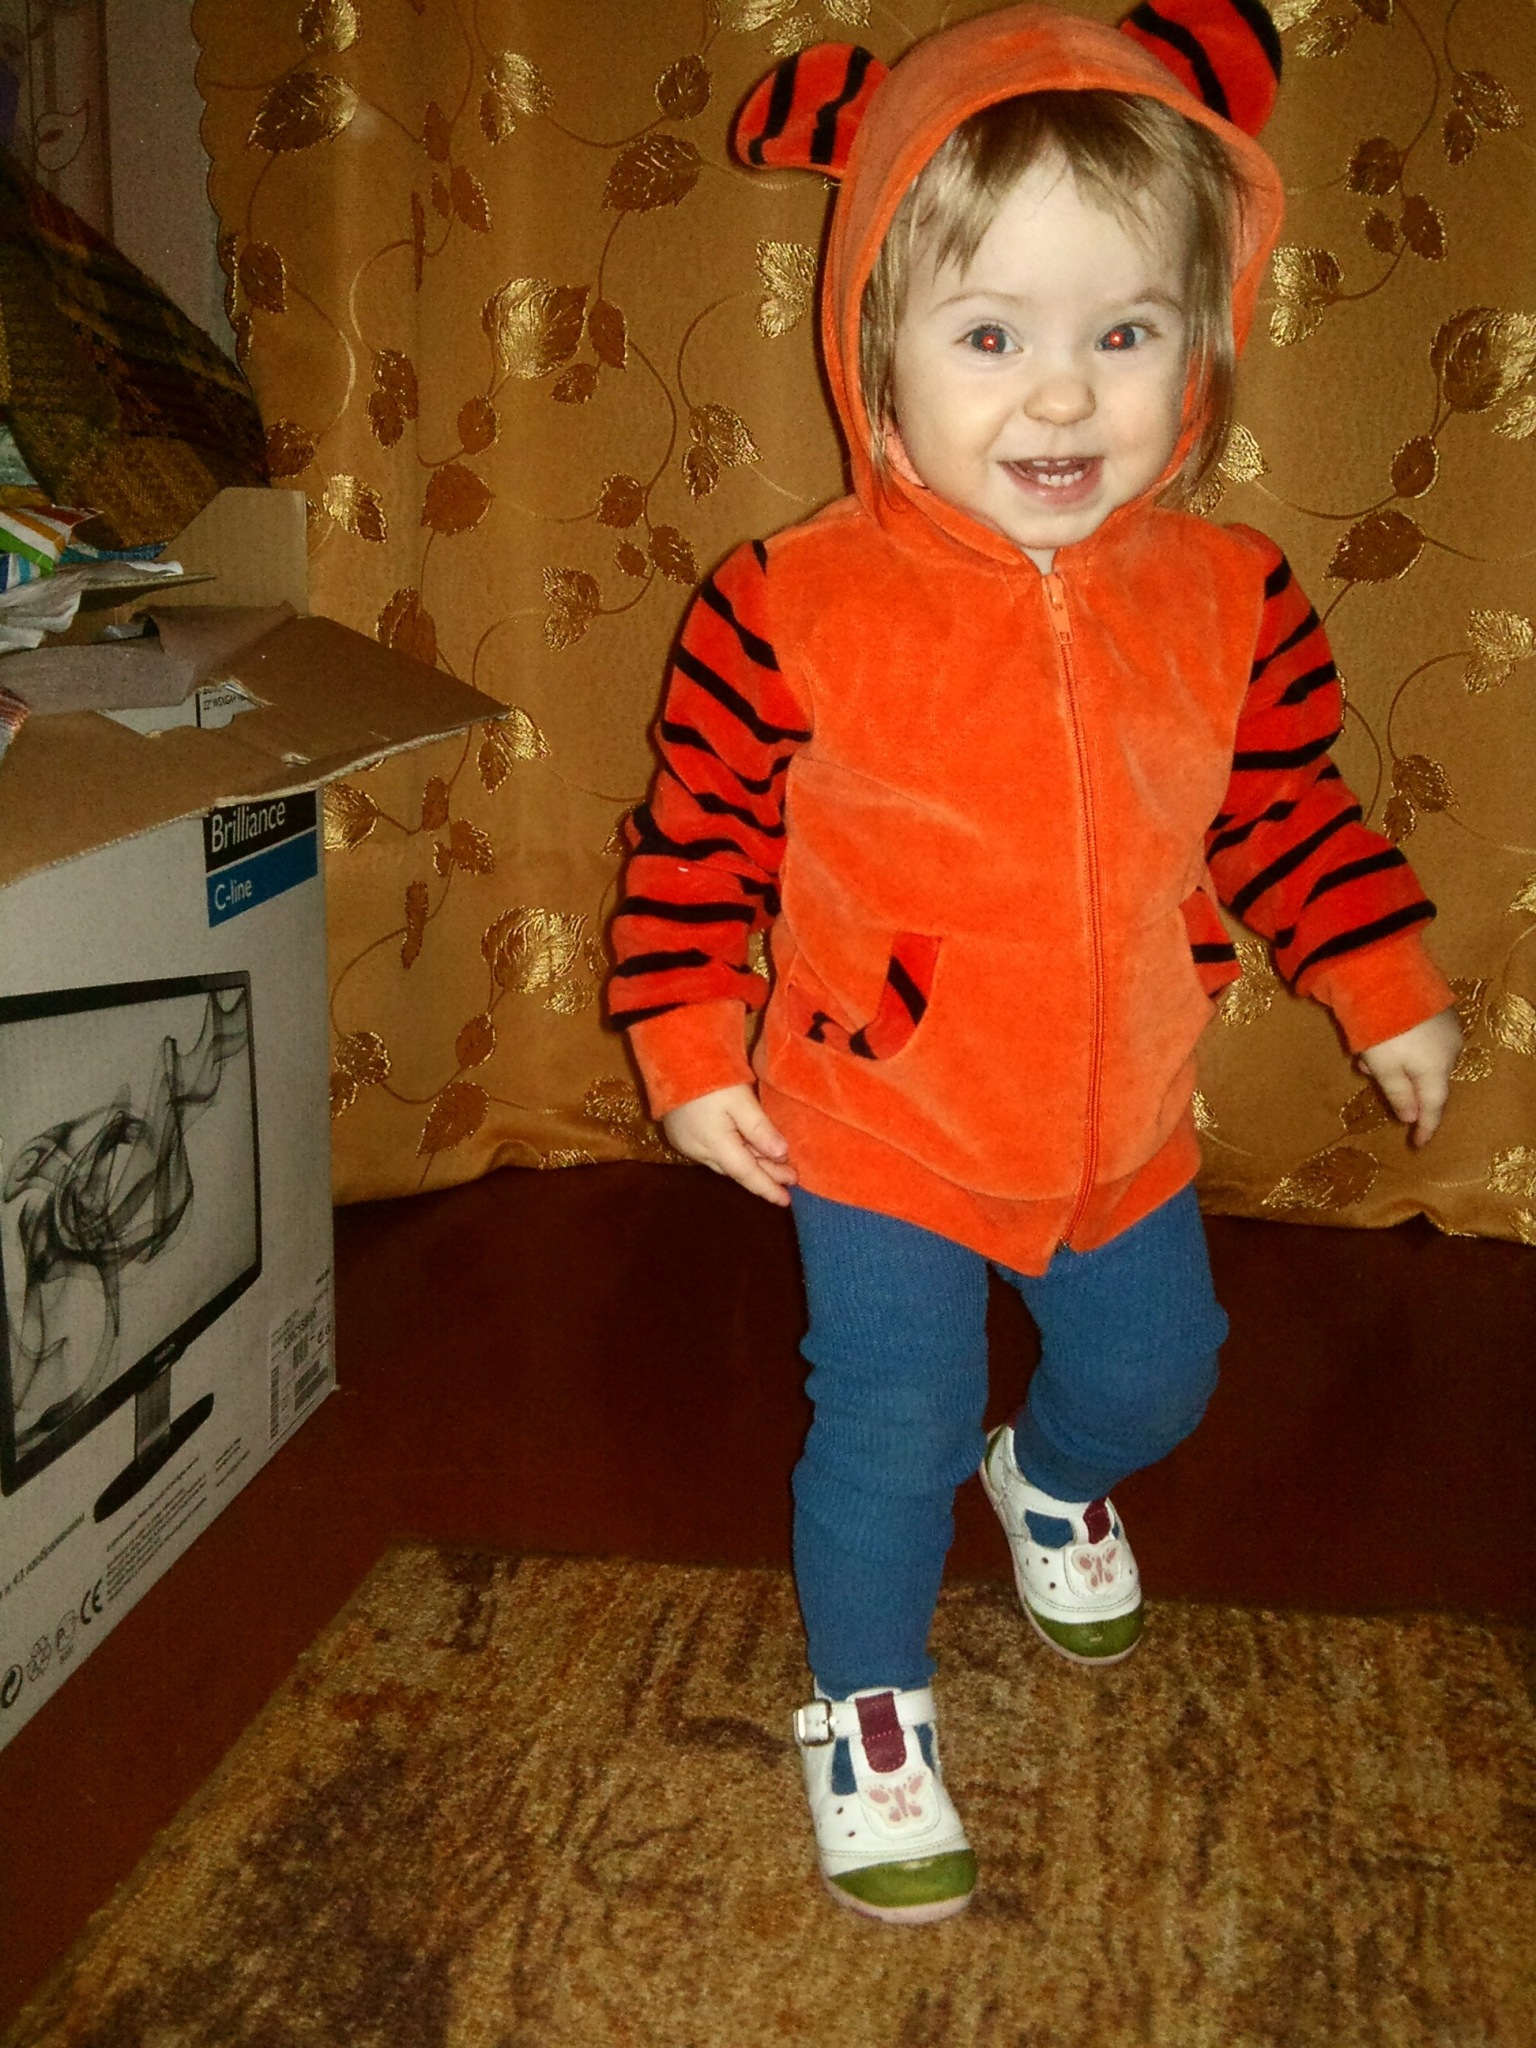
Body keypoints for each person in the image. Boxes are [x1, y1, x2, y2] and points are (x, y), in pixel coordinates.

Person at [608, 0, 1462, 1925]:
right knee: (888, 1426)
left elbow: (1289, 817)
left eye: (1124, 336)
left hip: (1120, 1120)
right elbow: (695, 844)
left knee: (1163, 1381)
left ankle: (1055, 1479)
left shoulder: (1233, 598)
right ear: (876, 348)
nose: (1062, 398)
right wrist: (688, 1043)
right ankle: (870, 1707)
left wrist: (1387, 983)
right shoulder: (787, 604)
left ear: (1203, 344)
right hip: (880, 1117)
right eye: (991, 337)